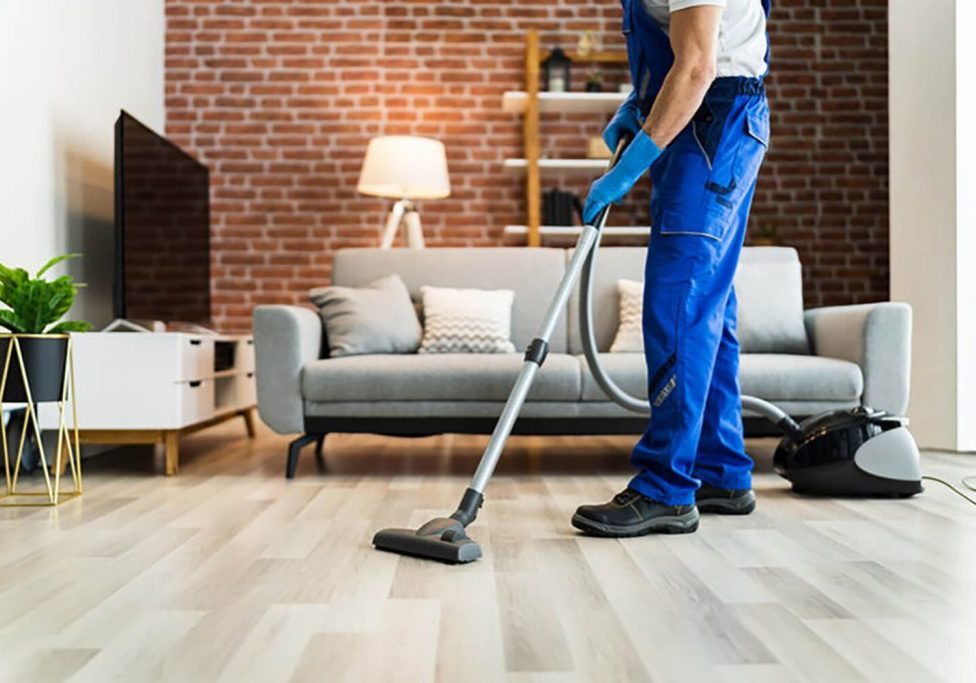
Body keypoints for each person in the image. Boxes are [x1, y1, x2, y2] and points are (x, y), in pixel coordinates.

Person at [571, 0, 771, 537]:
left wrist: (627, 171)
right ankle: (721, 470)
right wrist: (636, 105)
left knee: (677, 301)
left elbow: (699, 65)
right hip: (707, 116)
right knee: (707, 303)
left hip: (714, 120)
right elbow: (687, 46)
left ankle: (666, 488)